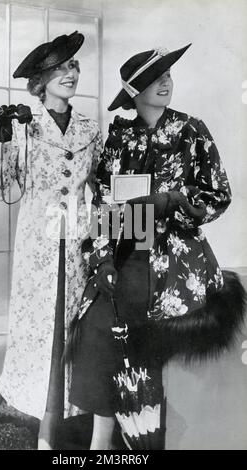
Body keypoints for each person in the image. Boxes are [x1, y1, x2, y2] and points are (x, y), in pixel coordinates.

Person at [69, 44, 246, 450]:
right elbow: (104, 206)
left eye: (168, 74)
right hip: (127, 254)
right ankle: (102, 443)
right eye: (155, 76)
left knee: (148, 343)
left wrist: (173, 203)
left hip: (177, 262)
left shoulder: (191, 130)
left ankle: (147, 443)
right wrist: (102, 260)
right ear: (135, 90)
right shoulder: (119, 137)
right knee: (98, 331)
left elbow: (218, 194)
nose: (166, 81)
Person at [0, 31, 103, 450]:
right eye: (59, 68)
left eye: (73, 66)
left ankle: (49, 416)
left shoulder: (90, 129)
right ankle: (8, 403)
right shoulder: (22, 124)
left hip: (77, 245)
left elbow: (99, 188)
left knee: (69, 333)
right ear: (40, 82)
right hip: (38, 250)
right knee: (36, 334)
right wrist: (2, 143)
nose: (70, 73)